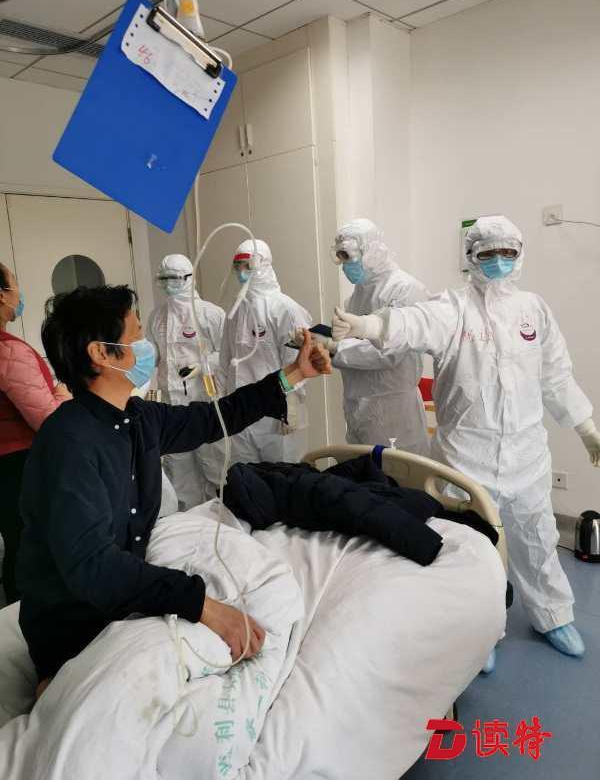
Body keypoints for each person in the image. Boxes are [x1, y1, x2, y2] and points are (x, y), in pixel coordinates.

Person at [16, 284, 330, 693]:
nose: (147, 347)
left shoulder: (138, 418)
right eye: (136, 336)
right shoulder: (67, 443)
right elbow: (94, 567)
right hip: (74, 634)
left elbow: (215, 417)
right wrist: (200, 604)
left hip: (121, 611)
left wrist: (294, 374)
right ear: (101, 353)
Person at [333, 215, 600, 662]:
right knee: (472, 546)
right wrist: (369, 327)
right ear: (471, 256)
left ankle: (553, 614)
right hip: (465, 455)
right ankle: (480, 629)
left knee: (537, 536)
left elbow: (556, 375)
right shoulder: (453, 307)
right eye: (488, 253)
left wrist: (587, 428)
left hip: (527, 453)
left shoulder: (533, 310)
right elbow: (416, 322)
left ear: (520, 255)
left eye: (507, 253)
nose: (498, 261)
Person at [323, 218, 430, 454]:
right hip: (357, 409)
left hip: (395, 414)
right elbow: (351, 347)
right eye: (340, 257)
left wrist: (335, 348)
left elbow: (390, 351)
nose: (344, 264)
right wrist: (328, 345)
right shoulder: (354, 298)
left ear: (371, 251)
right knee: (362, 473)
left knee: (398, 474)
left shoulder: (405, 289)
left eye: (348, 256)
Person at [0, 263, 70, 604]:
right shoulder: (8, 350)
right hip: (17, 463)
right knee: (27, 542)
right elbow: (47, 419)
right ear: (2, 296)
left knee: (15, 538)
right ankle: (27, 612)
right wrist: (62, 394)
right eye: (14, 284)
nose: (19, 293)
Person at [216, 239, 312, 466]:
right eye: (237, 266)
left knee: (284, 476)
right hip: (240, 412)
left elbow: (298, 362)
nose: (241, 272)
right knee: (246, 477)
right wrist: (222, 400)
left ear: (264, 265)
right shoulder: (236, 310)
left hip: (275, 414)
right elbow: (226, 360)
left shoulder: (285, 308)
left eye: (247, 265)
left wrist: (291, 404)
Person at [147, 254, 225, 508]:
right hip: (171, 406)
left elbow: (227, 354)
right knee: (179, 471)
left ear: (188, 278)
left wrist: (203, 366)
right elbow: (155, 355)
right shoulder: (157, 317)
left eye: (174, 279)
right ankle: (189, 522)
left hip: (204, 402)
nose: (168, 285)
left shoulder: (210, 314)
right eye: (164, 279)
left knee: (215, 466)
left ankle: (223, 520)